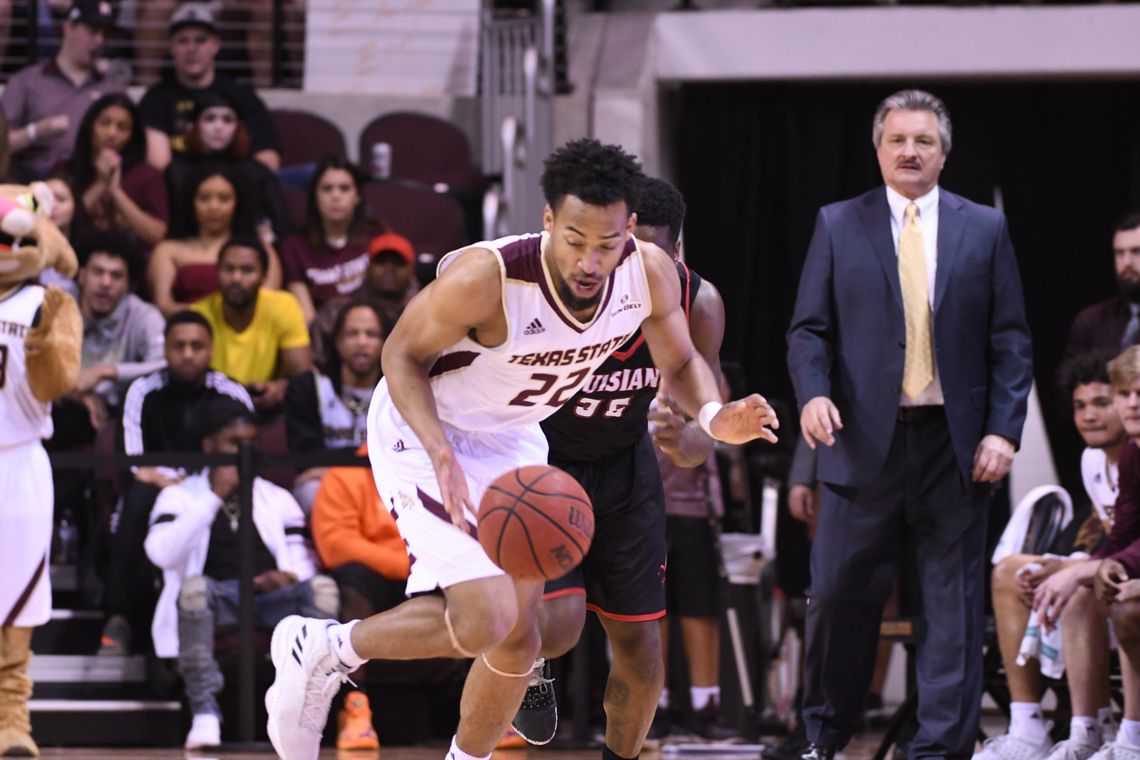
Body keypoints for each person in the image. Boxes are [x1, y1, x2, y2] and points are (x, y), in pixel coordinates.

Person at [261, 138, 779, 760]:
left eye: (608, 243)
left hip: (512, 435)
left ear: (631, 229)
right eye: (576, 240)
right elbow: (399, 354)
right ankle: (323, 649)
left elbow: (682, 361)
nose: (591, 261)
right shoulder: (489, 277)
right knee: (484, 619)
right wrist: (440, 451)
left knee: (520, 639)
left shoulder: (649, 273)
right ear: (549, 221)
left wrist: (717, 417)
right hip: (424, 428)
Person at [786, 89, 1033, 758]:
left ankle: (940, 749)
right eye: (898, 139)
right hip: (860, 444)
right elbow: (809, 330)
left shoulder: (984, 227)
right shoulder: (838, 223)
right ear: (878, 149)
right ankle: (825, 737)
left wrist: (1004, 430)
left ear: (944, 154)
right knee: (837, 598)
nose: (910, 151)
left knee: (951, 610)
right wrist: (812, 394)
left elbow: (1010, 340)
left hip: (954, 450)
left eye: (924, 140)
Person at [509, 176, 734, 750]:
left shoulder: (698, 303)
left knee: (642, 653)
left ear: (676, 253)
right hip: (545, 461)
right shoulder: (554, 287)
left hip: (628, 470)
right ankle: (526, 659)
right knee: (559, 629)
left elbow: (701, 438)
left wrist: (683, 439)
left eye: (647, 251)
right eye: (621, 249)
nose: (629, 266)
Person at [144, 395, 338, 750]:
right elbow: (160, 553)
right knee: (195, 590)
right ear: (209, 445)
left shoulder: (275, 496)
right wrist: (214, 496)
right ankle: (204, 712)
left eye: (250, 443)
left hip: (271, 597)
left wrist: (289, 576)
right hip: (218, 600)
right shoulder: (180, 496)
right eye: (234, 444)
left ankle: (309, 707)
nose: (244, 452)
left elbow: (302, 557)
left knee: (322, 589)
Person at [974, 353, 1125, 760]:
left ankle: (1092, 730)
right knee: (1011, 571)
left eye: (1102, 403)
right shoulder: (1093, 460)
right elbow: (1101, 530)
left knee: (1080, 587)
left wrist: (1077, 570)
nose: (1089, 416)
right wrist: (1070, 562)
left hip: (1128, 579)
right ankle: (1026, 726)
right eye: (1080, 406)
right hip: (1118, 568)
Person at [98, 310, 253, 656]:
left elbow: (246, 453)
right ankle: (120, 617)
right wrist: (167, 481)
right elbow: (133, 464)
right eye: (178, 346)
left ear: (210, 348)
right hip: (159, 486)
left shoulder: (231, 393)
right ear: (165, 349)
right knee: (136, 499)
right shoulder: (142, 390)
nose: (187, 354)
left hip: (215, 485)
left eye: (196, 346)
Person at [0, 183, 82, 759]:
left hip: (19, 460)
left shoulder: (47, 304)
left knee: (16, 599)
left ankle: (11, 718)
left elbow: (59, 385)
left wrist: (42, 349)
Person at [310, 443, 410, 751]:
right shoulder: (345, 475)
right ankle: (355, 705)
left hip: (422, 571)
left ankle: (486, 707)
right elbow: (336, 545)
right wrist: (407, 564)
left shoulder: (435, 467)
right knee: (353, 579)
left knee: (473, 580)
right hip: (381, 576)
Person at [139, 2, 282, 172]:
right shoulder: (156, 98)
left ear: (215, 45)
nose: (192, 49)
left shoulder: (241, 96)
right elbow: (158, 164)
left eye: (200, 40)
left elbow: (269, 159)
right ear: (171, 47)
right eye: (183, 41)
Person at [0, 0, 123, 181]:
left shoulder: (112, 91)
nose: (99, 41)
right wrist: (36, 132)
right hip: (33, 181)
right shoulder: (27, 81)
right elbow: (2, 144)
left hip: (89, 182)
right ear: (68, 27)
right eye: (93, 31)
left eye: (105, 34)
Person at [285, 298, 387, 513]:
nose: (362, 342)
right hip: (331, 483)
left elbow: (403, 452)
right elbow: (306, 457)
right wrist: (366, 459)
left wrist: (335, 461)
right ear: (338, 342)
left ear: (385, 342)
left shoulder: (396, 387)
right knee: (310, 489)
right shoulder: (308, 385)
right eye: (352, 334)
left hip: (382, 480)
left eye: (371, 334)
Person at [191, 236, 311, 413]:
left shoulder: (284, 306)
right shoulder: (197, 316)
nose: (236, 278)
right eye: (229, 269)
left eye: (247, 270)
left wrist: (280, 387)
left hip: (267, 409)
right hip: (212, 411)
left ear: (264, 275)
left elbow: (301, 374)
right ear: (217, 272)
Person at [148, 166, 282, 317]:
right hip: (189, 332)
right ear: (191, 202)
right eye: (204, 198)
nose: (213, 207)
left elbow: (268, 303)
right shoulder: (167, 250)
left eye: (224, 199)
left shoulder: (260, 250)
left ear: (237, 203)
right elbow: (163, 305)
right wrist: (207, 320)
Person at [165, 90, 291, 244]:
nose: (218, 127)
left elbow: (283, 224)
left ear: (238, 128)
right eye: (210, 119)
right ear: (195, 126)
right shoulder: (178, 170)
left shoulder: (257, 171)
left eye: (227, 120)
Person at [280, 156, 377, 325]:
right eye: (327, 189)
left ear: (357, 196)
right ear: (315, 197)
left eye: (344, 188)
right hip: (322, 339)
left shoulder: (377, 236)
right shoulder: (294, 246)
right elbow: (308, 318)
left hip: (372, 334)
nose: (335, 196)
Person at [68, 93, 169, 249]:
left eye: (122, 127)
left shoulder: (147, 176)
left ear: (132, 135)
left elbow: (156, 235)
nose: (111, 133)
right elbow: (59, 225)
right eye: (104, 123)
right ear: (91, 126)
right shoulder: (66, 169)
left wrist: (116, 192)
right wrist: (101, 184)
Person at [311, 232, 419, 365]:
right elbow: (319, 361)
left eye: (397, 263)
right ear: (367, 268)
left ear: (410, 270)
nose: (388, 269)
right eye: (381, 262)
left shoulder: (423, 315)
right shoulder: (336, 312)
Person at [1065, 213, 1140, 362]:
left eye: (1136, 251)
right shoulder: (1092, 320)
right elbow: (1067, 379)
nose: (1126, 262)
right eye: (1119, 253)